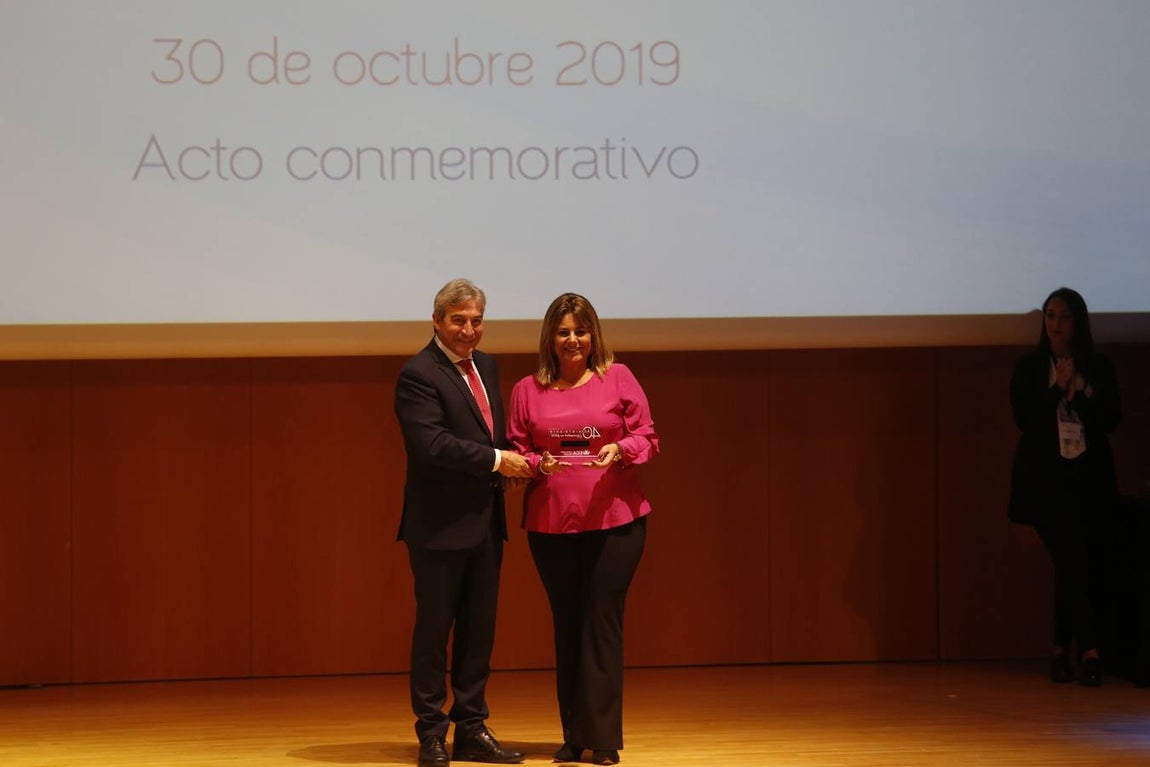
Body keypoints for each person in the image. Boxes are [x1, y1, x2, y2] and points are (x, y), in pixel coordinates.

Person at [507, 293, 660, 766]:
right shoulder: (526, 390)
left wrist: (622, 450)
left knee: (602, 621)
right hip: (551, 523)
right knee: (568, 623)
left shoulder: (619, 376)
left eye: (580, 331)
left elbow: (647, 437)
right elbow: (517, 451)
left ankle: (604, 738)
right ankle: (573, 736)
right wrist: (538, 463)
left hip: (616, 521)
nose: (572, 340)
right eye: (563, 332)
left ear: (593, 334)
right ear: (550, 338)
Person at [395, 278, 532, 767]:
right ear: (437, 321)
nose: (469, 330)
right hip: (438, 527)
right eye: (458, 321)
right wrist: (497, 461)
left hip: (486, 522)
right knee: (434, 635)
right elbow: (430, 445)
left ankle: (471, 728)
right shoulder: (417, 374)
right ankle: (432, 734)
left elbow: (488, 435)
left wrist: (506, 468)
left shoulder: (487, 366)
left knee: (478, 634)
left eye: (476, 321)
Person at [1008, 287, 1121, 687]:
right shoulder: (1029, 366)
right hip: (1045, 483)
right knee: (1071, 556)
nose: (1056, 325)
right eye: (1050, 316)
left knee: (1074, 563)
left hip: (1087, 480)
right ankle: (1089, 650)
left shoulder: (1098, 365)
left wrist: (1080, 391)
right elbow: (1025, 419)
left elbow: (1111, 419)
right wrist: (1056, 389)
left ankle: (1060, 651)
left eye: (1065, 316)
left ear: (1079, 321)